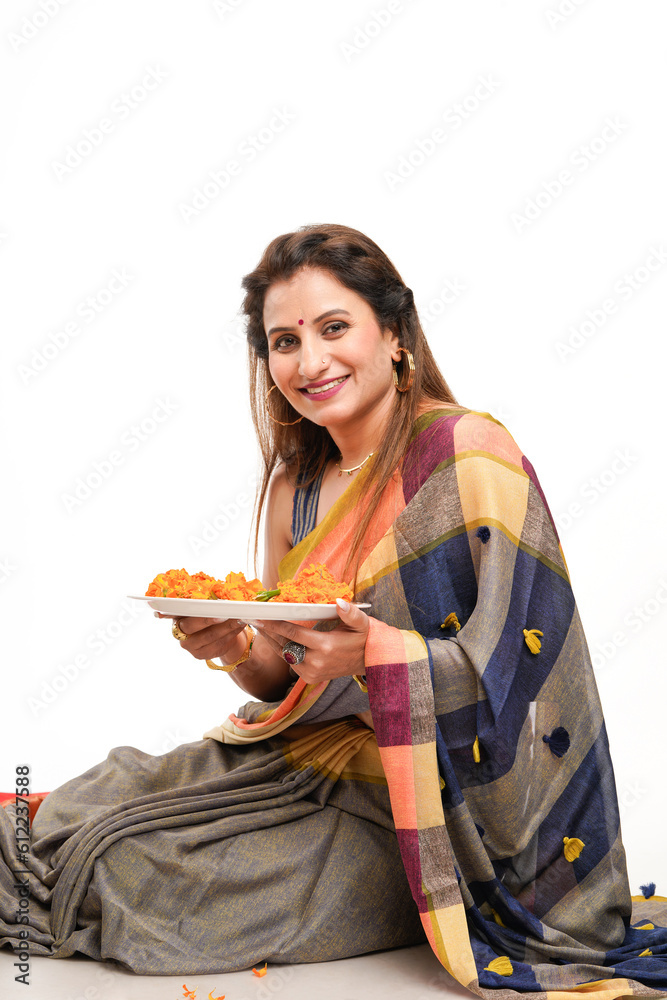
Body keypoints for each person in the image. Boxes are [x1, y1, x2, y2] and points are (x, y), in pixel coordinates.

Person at [2, 224, 666, 998]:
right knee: (71, 814)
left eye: (333, 327)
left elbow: (526, 671)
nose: (310, 362)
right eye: (284, 341)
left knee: (140, 880)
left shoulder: (465, 453)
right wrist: (233, 645)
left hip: (427, 808)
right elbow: (285, 680)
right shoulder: (297, 487)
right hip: (295, 758)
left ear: (394, 334)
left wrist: (374, 657)